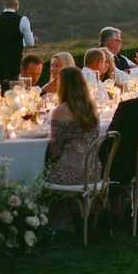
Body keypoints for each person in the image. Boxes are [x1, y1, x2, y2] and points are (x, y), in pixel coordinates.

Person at [46, 67, 101, 232]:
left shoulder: (60, 110)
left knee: (40, 170)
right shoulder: (92, 109)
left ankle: (56, 223)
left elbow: (55, 151)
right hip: (92, 171)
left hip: (70, 173)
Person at [0, 0, 36, 86]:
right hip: (15, 64)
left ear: (4, 6)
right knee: (15, 92)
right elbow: (30, 43)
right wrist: (32, 38)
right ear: (17, 5)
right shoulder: (23, 20)